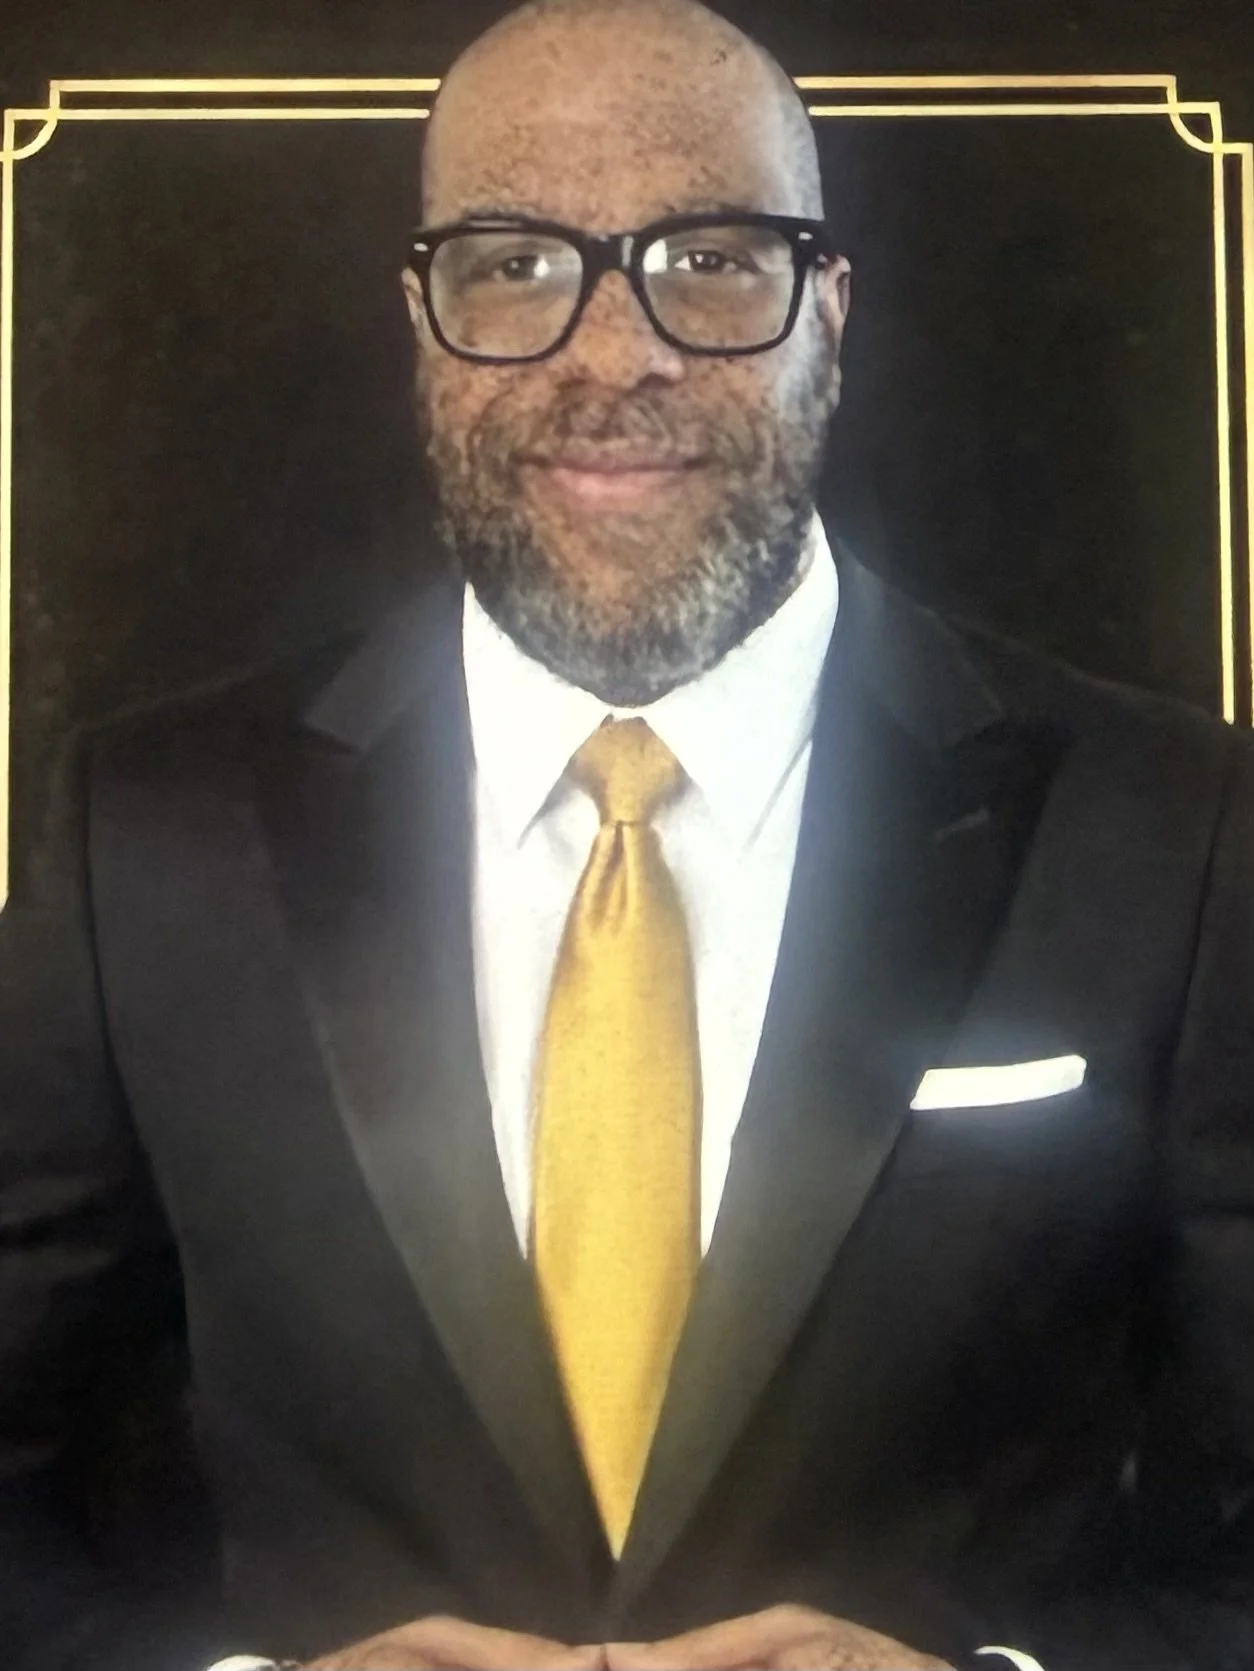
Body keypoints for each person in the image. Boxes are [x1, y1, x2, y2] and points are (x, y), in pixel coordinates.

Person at [2, 0, 1253, 1667]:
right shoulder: (143, 838)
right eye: (515, 264)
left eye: (711, 259)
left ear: (828, 310)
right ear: (422, 321)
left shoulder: (1175, 829)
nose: (613, 354)